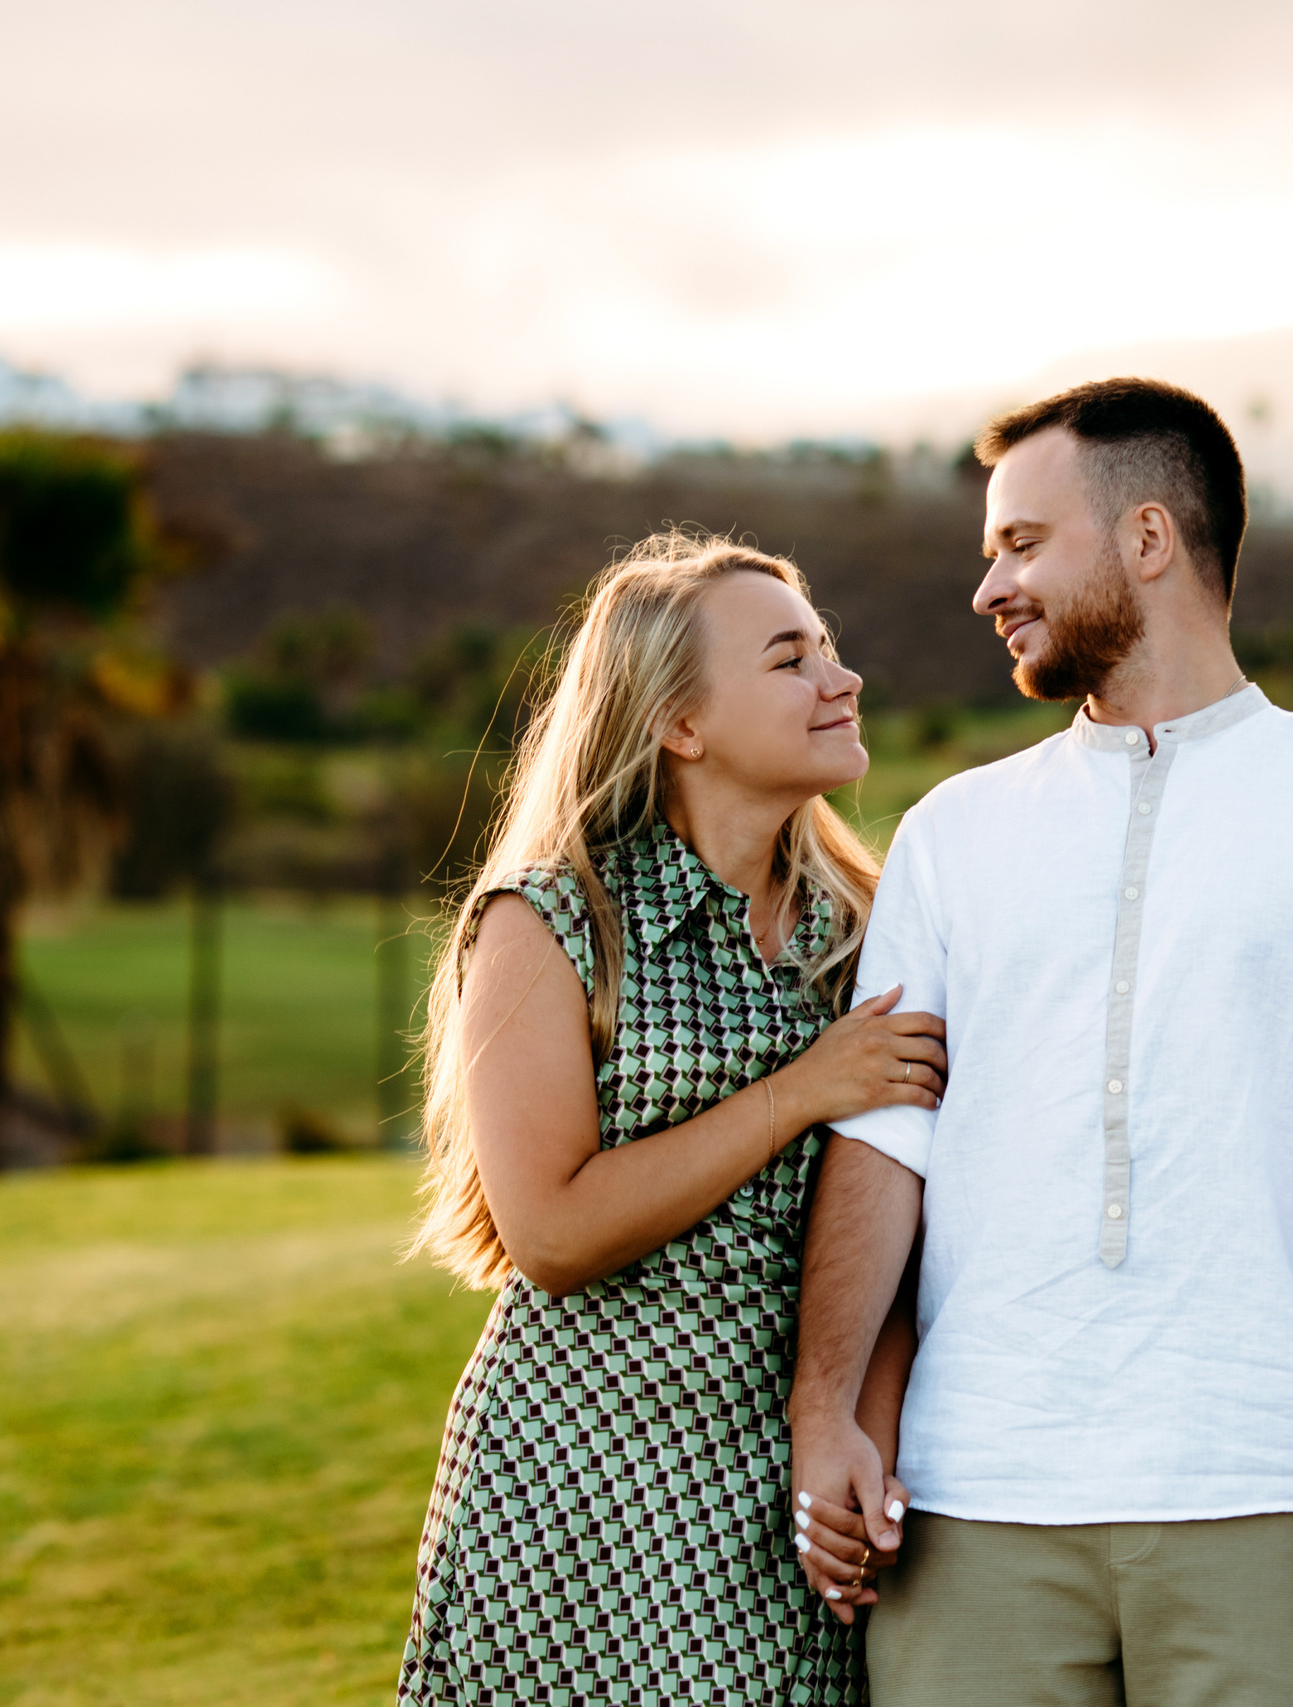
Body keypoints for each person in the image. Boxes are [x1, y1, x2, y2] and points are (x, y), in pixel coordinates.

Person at [788, 380, 1293, 1707]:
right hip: (973, 1499)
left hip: (1258, 1486)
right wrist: (828, 1409)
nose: (989, 589)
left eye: (1021, 544)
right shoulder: (954, 832)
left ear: (1148, 539)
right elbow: (889, 1134)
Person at [396, 532, 945, 1706]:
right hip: (579, 1489)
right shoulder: (550, 922)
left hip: (789, 1475)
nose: (840, 679)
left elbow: (919, 1212)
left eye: (830, 649)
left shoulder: (872, 926)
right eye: (791, 659)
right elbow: (548, 1229)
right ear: (679, 724)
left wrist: (865, 1431)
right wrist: (801, 1090)